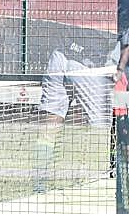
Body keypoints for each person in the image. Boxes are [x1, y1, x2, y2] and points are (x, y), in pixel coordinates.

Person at [35, 30, 129, 191]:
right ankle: (85, 181)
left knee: (49, 126)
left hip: (60, 56)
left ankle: (40, 184)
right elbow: (126, 45)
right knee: (100, 130)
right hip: (91, 67)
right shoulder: (122, 9)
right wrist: (119, 70)